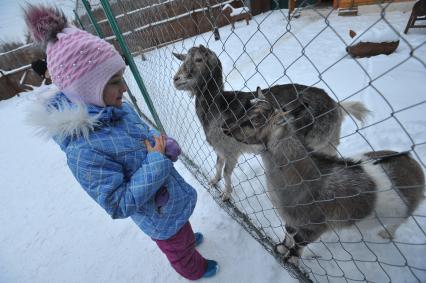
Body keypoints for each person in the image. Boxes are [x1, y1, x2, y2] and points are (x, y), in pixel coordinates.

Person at [24, 4, 218, 280]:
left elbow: (144, 139)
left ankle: (183, 237)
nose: (125, 88)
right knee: (176, 246)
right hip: (157, 213)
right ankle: (192, 268)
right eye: (115, 81)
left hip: (168, 199)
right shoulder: (83, 151)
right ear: (86, 89)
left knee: (180, 230)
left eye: (122, 78)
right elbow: (117, 203)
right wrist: (155, 161)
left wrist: (164, 147)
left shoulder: (116, 107)